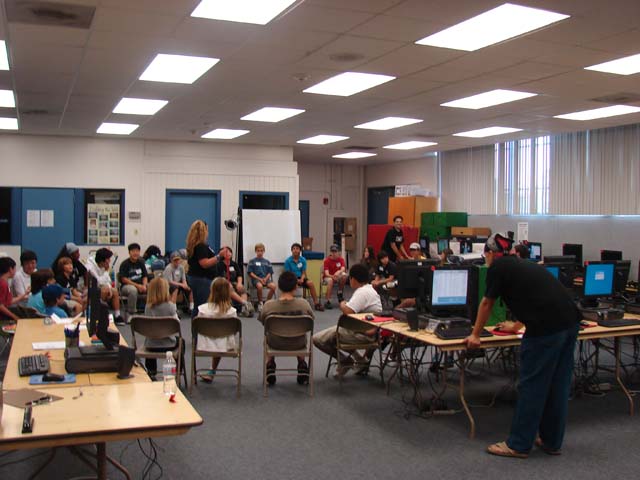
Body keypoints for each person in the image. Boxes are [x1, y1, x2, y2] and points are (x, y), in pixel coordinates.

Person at [464, 233, 581, 459]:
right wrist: (517, 326)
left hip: (546, 330)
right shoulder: (523, 264)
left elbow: (487, 302)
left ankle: (518, 444)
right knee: (558, 385)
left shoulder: (497, 268)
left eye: (485, 255)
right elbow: (534, 298)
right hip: (570, 322)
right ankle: (551, 441)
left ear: (490, 254)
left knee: (532, 386)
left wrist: (475, 335)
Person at [313, 264, 382, 377]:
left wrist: (342, 304)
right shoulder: (370, 290)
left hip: (361, 335)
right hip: (370, 333)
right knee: (332, 336)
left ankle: (345, 360)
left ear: (353, 279)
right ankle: (359, 358)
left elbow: (348, 312)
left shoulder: (362, 292)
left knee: (317, 339)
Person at [259, 271, 314, 386]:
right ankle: (302, 363)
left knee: (267, 336)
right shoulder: (304, 304)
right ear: (296, 286)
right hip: (298, 344)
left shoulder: (268, 305)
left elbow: (263, 322)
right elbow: (311, 321)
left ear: (279, 286)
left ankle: (270, 364)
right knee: (301, 332)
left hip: (275, 343)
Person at [196, 277, 238, 383]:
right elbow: (234, 331)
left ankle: (210, 371)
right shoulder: (232, 312)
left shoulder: (202, 309)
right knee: (221, 338)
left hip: (204, 344)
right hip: (226, 345)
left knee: (217, 338)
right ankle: (212, 370)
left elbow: (196, 328)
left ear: (212, 291)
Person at [144, 277, 179, 379]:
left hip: (151, 344)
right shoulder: (170, 306)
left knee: (150, 341)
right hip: (168, 344)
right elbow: (177, 325)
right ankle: (177, 371)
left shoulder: (147, 307)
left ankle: (151, 371)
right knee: (182, 343)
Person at [186, 219, 223, 318]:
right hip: (202, 279)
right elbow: (204, 263)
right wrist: (219, 256)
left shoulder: (194, 246)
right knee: (203, 306)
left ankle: (196, 326)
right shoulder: (201, 246)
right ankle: (201, 325)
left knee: (198, 306)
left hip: (196, 277)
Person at [86, 248, 124, 325]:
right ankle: (98, 314)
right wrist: (106, 271)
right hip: (89, 289)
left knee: (114, 291)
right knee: (104, 291)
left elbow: (108, 281)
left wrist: (109, 288)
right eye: (108, 259)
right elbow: (98, 282)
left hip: (101, 287)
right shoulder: (90, 267)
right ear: (103, 260)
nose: (110, 261)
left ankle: (117, 315)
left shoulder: (102, 264)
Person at [284, 242, 324, 311]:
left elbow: (303, 272)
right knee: (293, 286)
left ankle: (316, 303)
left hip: (301, 277)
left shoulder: (303, 260)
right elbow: (288, 274)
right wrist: (296, 280)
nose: (295, 250)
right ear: (291, 250)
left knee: (310, 283)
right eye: (294, 249)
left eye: (297, 249)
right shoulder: (288, 261)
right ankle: (291, 305)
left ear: (300, 250)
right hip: (291, 278)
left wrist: (302, 279)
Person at [216, 246, 253, 317]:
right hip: (223, 283)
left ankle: (243, 309)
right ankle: (245, 303)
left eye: (230, 252)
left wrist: (239, 283)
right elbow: (219, 277)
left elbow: (239, 275)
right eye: (226, 252)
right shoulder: (219, 264)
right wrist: (227, 283)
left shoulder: (234, 264)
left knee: (242, 289)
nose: (229, 253)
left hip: (234, 282)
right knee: (229, 288)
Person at [119, 243, 149, 319]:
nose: (135, 253)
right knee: (133, 290)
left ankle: (151, 311)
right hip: (127, 286)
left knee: (153, 287)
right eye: (133, 251)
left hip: (141, 285)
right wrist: (137, 286)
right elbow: (124, 279)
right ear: (129, 252)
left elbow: (145, 276)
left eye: (137, 251)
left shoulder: (141, 262)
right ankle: (131, 314)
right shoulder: (124, 264)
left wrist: (144, 285)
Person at [247, 243, 276, 309]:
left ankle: (267, 302)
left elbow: (270, 272)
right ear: (255, 251)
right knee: (259, 286)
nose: (260, 252)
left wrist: (265, 279)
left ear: (264, 251)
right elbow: (250, 273)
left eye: (261, 251)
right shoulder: (252, 261)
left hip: (266, 279)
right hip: (256, 279)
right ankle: (260, 303)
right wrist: (259, 279)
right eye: (258, 251)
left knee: (273, 286)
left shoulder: (267, 261)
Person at [322, 244, 347, 309]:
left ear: (338, 252)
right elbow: (326, 273)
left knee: (344, 276)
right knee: (330, 281)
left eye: (335, 251)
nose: (334, 253)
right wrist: (333, 276)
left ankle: (340, 293)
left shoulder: (341, 259)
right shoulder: (327, 261)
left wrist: (338, 272)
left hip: (337, 276)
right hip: (328, 277)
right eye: (332, 251)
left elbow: (343, 268)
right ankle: (327, 300)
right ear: (330, 252)